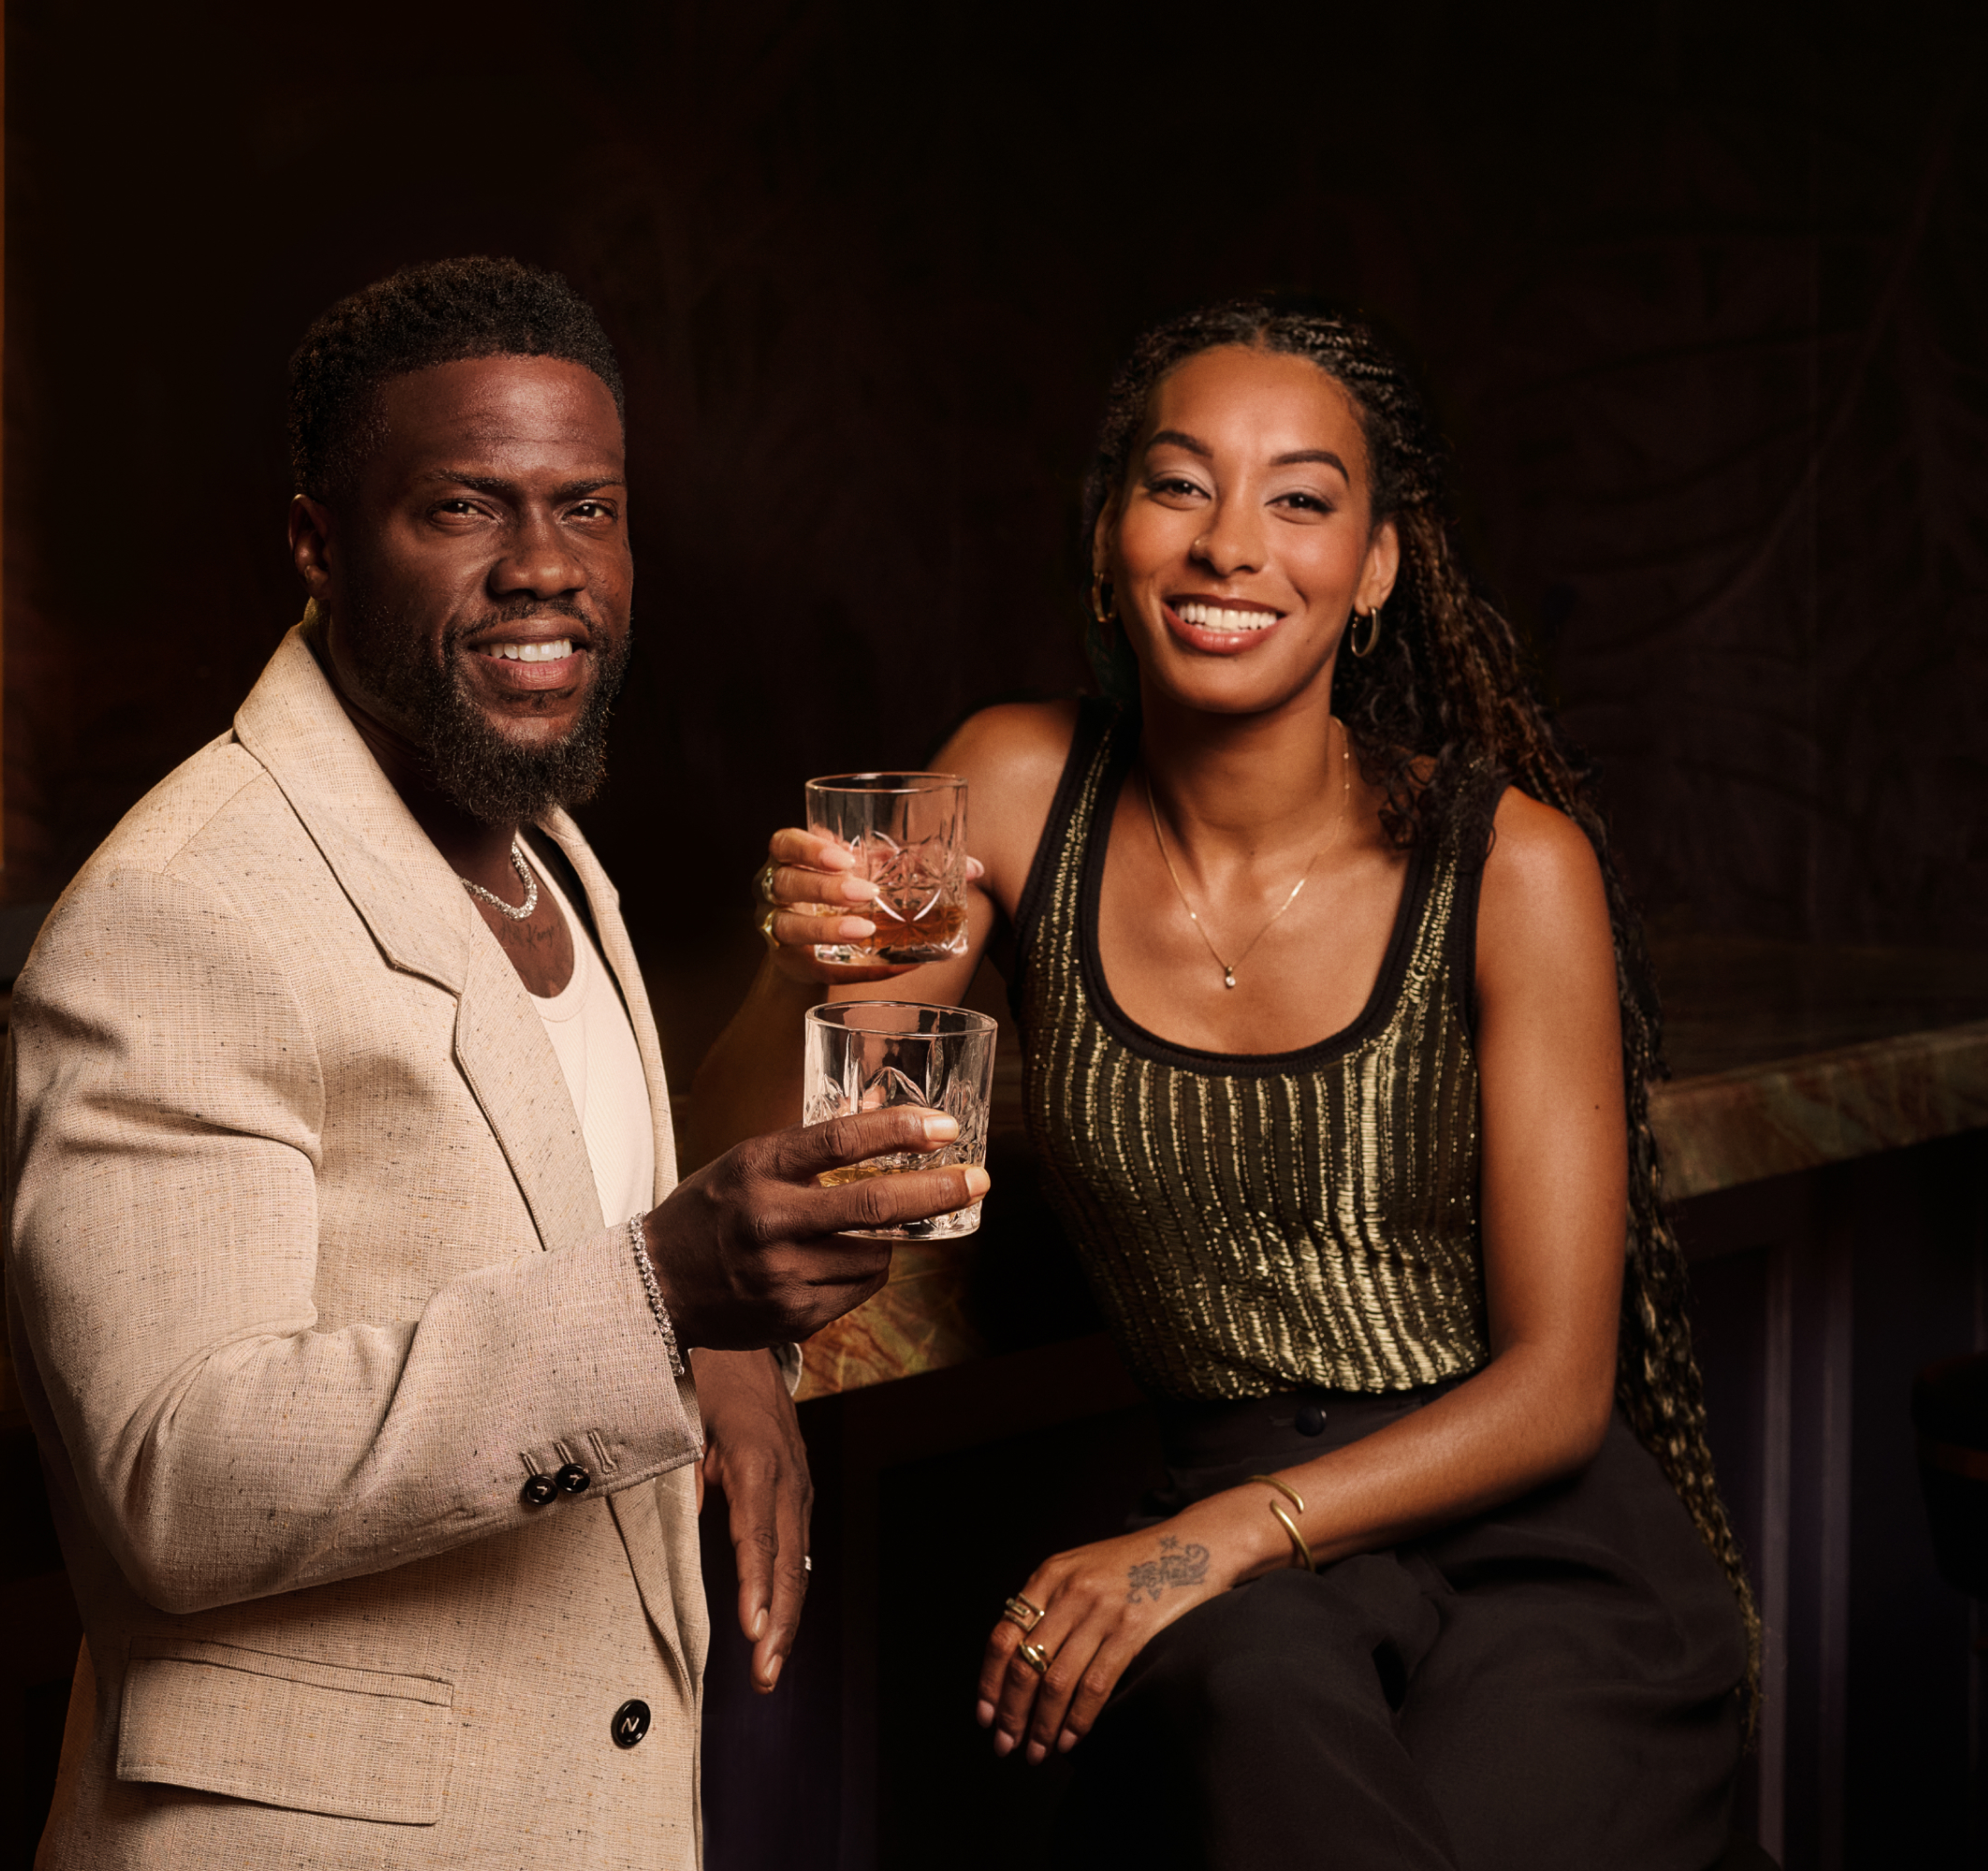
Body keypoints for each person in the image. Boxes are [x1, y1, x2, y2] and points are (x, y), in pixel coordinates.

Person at [688, 297, 1755, 1866]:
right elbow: (765, 1161)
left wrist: (1202, 1544)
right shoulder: (1017, 785)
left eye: (1302, 498)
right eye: (1181, 485)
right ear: (1115, 528)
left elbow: (1556, 1388)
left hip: (1524, 1546)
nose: (1230, 546)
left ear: (1378, 564)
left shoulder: (1510, 864)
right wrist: (799, 967)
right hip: (1239, 1559)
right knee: (1242, 1698)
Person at [6, 257, 985, 1870]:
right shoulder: (183, 911)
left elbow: (539, 1230)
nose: (547, 569)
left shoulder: (541, 851)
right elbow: (174, 1473)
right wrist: (667, 1301)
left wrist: (721, 1350)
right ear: (319, 543)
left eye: (587, 509)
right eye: (465, 508)